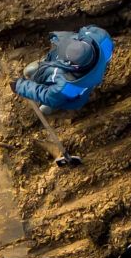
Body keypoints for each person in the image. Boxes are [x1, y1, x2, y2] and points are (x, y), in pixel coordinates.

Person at [12, 26, 114, 166]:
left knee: (48, 104)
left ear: (74, 66)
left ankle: (51, 109)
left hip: (70, 96)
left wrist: (20, 86)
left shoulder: (69, 84)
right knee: (34, 73)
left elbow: (48, 95)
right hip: (75, 77)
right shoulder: (101, 38)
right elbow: (87, 31)